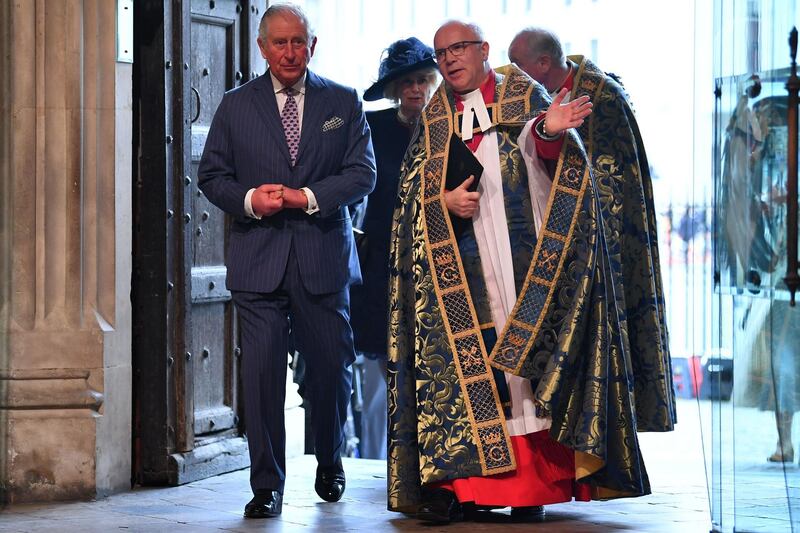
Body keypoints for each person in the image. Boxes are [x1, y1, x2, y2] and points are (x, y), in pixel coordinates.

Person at [387, 20, 675, 524]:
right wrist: (439, 201)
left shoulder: (525, 92)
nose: (451, 59)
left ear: (483, 51)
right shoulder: (432, 119)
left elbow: (547, 149)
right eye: (442, 53)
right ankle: (471, 488)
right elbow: (408, 199)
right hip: (462, 268)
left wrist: (548, 131)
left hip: (526, 265)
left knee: (524, 371)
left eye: (460, 48)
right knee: (470, 371)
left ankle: (532, 487)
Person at [197, 3, 376, 519]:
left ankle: (328, 458)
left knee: (329, 373)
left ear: (312, 45)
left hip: (323, 260)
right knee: (261, 376)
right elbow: (213, 177)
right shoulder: (235, 105)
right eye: (280, 42)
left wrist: (307, 197)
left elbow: (362, 173)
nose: (290, 52)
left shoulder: (342, 101)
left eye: (299, 41)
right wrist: (253, 199)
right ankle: (267, 485)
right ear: (262, 47)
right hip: (259, 262)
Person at [349, 37, 439, 460]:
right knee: (377, 377)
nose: (415, 89)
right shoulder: (372, 127)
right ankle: (374, 462)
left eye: (422, 80)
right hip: (379, 265)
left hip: (435, 263)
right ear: (394, 88)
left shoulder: (449, 130)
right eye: (407, 82)